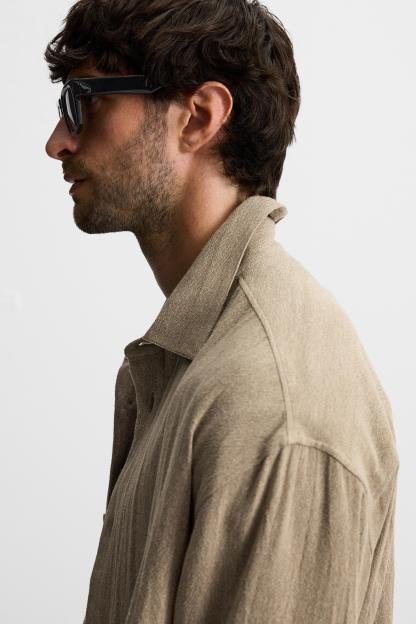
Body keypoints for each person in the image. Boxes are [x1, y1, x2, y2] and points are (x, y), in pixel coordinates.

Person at [44, 1, 400, 622]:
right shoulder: (198, 362)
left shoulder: (268, 400)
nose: (57, 142)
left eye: (85, 100)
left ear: (199, 117)